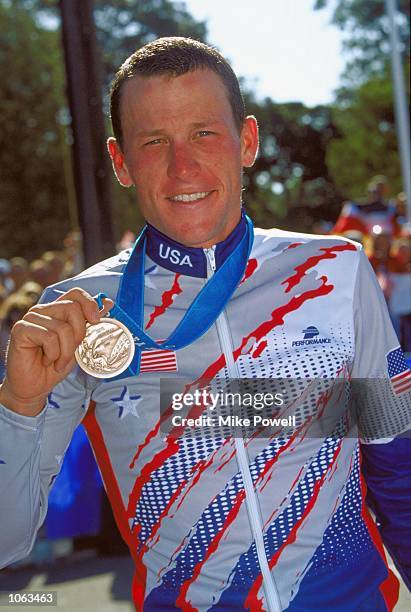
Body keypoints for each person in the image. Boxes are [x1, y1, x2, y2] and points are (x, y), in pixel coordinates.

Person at [0, 38, 410, 611]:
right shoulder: (79, 311)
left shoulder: (335, 270)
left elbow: (398, 463)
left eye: (203, 133)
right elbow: (8, 540)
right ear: (120, 162)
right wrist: (16, 406)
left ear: (247, 141)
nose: (183, 167)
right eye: (154, 142)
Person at [332, 176, 400, 238]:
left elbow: (396, 230)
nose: (376, 195)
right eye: (374, 192)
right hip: (364, 240)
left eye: (379, 192)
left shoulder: (391, 208)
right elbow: (342, 227)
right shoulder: (355, 208)